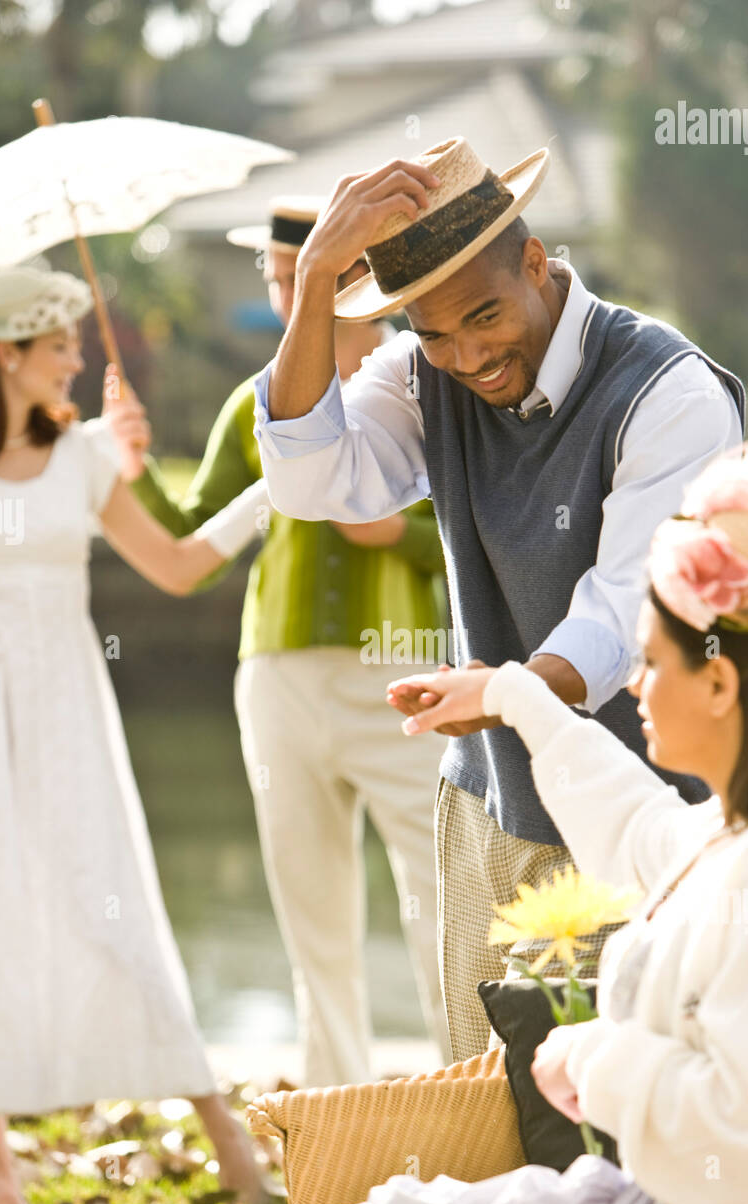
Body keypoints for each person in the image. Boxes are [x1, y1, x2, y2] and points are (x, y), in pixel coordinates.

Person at [303, 447, 748, 1204]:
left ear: (718, 684)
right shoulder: (739, 837)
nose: (632, 686)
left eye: (652, 662)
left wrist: (595, 1059)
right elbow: (635, 830)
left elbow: (747, 1137)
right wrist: (513, 698)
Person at [254, 136, 746, 1063]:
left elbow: (626, 612)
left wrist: (508, 696)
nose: (467, 354)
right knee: (490, 1104)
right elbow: (309, 484)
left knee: (633, 1109)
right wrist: (317, 275)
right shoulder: (420, 373)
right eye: (432, 331)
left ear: (535, 261)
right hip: (492, 801)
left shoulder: (668, 389)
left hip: (653, 808)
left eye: (483, 315)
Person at [122, 198, 452, 1085]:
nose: (282, 290)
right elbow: (192, 546)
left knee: (442, 897)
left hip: (406, 678)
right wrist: (136, 468)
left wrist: (404, 537)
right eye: (277, 275)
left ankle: (473, 1096)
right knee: (312, 915)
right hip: (276, 679)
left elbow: (485, 528)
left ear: (361, 277)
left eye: (298, 272)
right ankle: (338, 1115)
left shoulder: (429, 385)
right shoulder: (254, 403)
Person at [0, 266, 269, 1204]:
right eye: (57, 343)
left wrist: (272, 497)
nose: (76, 357)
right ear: (7, 355)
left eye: (75, 339)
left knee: (110, 899)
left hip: (66, 705)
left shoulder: (88, 457)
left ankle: (227, 1140)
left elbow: (179, 567)